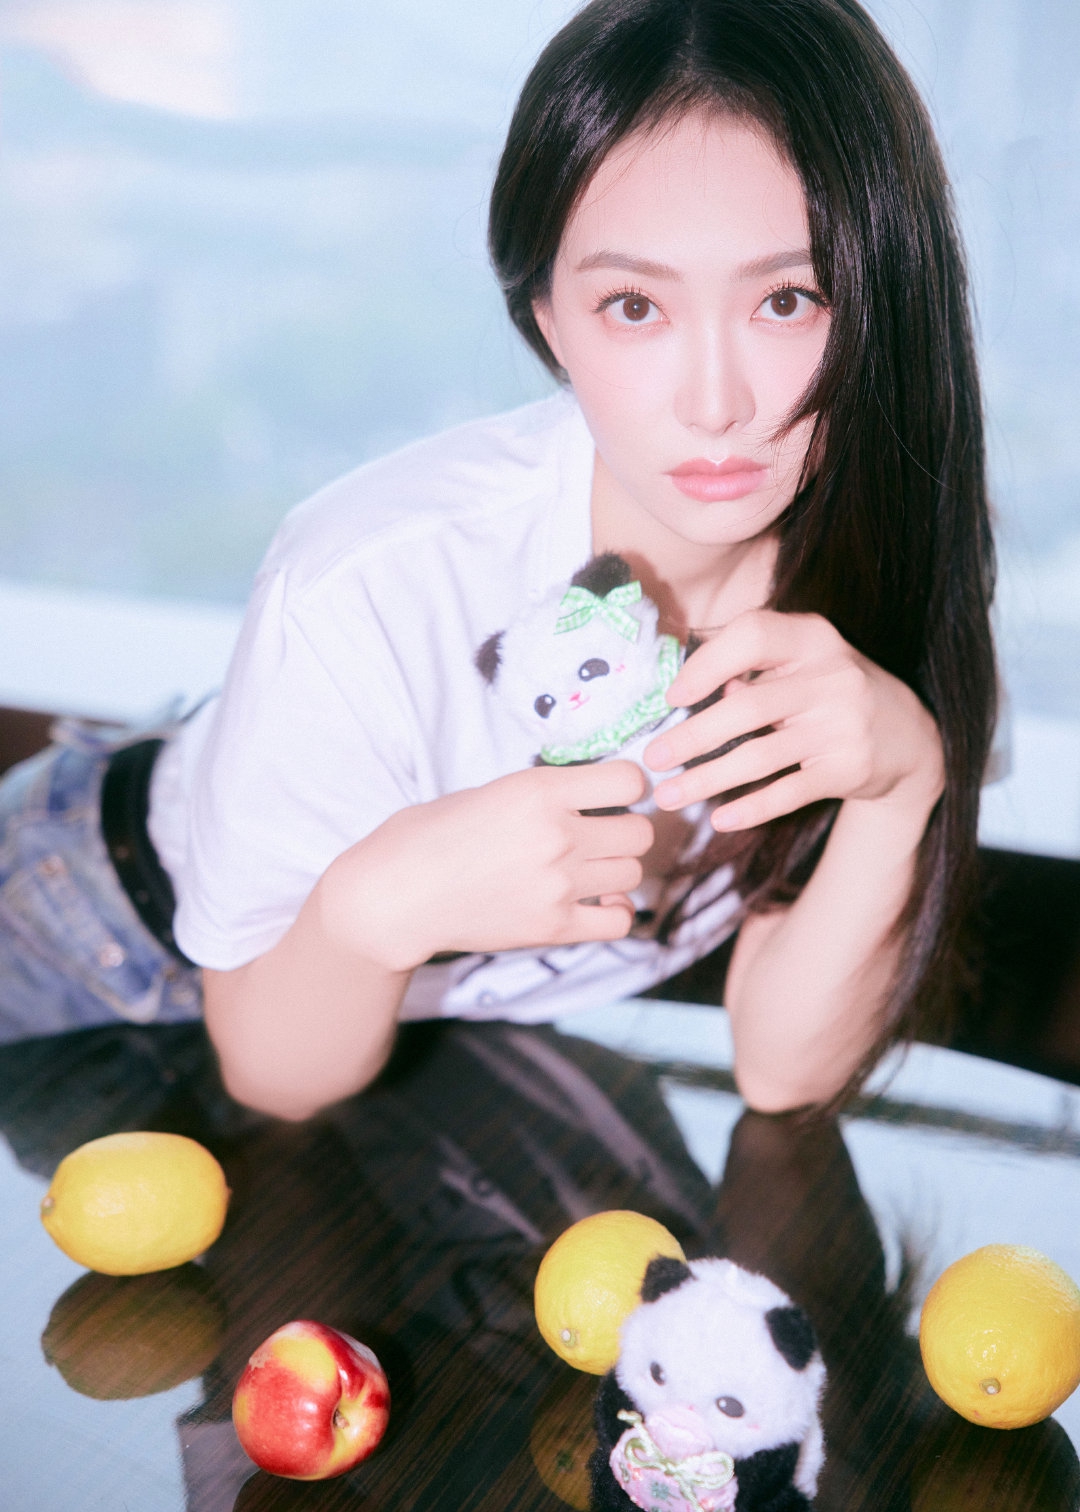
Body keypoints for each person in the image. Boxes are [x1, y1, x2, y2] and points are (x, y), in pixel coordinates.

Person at [0, 0, 995, 1122]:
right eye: (635, 306)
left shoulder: (886, 567)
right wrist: (373, 909)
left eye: (787, 299)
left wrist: (903, 782)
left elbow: (783, 1067)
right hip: (87, 926)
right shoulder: (374, 575)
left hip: (424, 1046)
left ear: (883, 302)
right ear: (548, 320)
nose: (717, 402)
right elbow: (275, 1069)